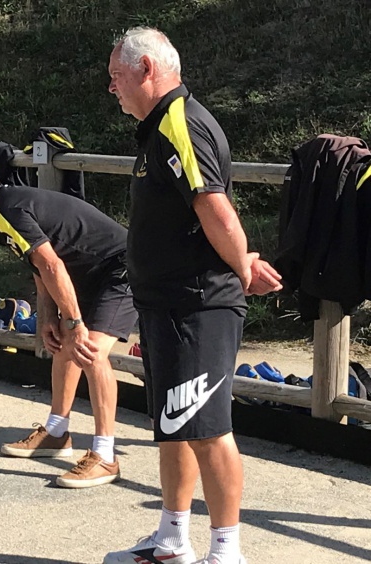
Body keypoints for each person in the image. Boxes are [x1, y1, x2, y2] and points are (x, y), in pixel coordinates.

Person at [103, 28, 282, 564]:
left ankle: (227, 551)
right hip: (164, 306)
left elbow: (214, 206)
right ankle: (171, 537)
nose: (110, 88)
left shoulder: (180, 120)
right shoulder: (159, 128)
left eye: (115, 77)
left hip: (197, 304)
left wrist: (242, 264)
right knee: (172, 427)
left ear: (146, 69)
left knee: (207, 429)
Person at [0, 160, 138, 488]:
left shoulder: (10, 211)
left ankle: (105, 456)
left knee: (91, 352)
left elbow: (51, 264)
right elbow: (39, 265)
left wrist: (74, 322)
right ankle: (57, 433)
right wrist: (49, 318)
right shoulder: (2, 210)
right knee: (63, 343)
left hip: (122, 269)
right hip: (88, 272)